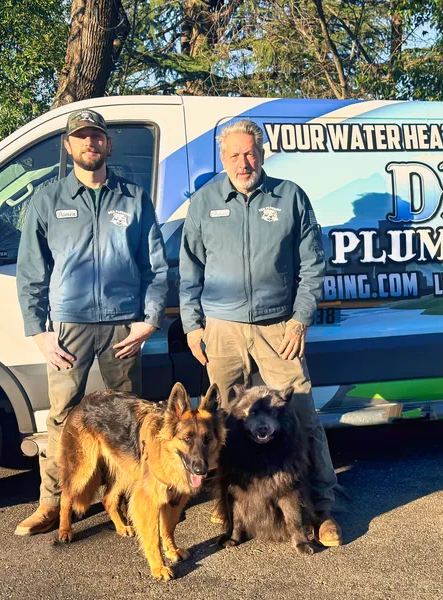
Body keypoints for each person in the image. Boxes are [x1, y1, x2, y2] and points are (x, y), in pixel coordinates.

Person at [179, 119, 342, 546]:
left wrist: (300, 318)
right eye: (234, 155)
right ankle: (231, 505)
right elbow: (189, 270)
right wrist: (193, 325)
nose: (243, 162)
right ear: (223, 158)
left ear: (263, 153)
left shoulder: (289, 197)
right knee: (223, 424)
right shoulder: (204, 201)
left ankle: (322, 509)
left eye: (250, 153)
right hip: (222, 329)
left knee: (303, 416)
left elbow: (313, 263)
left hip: (278, 327)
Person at [14, 109, 169, 535]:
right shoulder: (47, 201)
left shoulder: (134, 198)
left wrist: (148, 320)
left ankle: (134, 496)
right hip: (68, 328)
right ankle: (51, 503)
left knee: (128, 420)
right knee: (63, 418)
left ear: (108, 145)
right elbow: (31, 271)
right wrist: (38, 330)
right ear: (69, 146)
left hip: (123, 327)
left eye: (97, 137)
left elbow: (154, 267)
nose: (90, 144)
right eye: (81, 137)